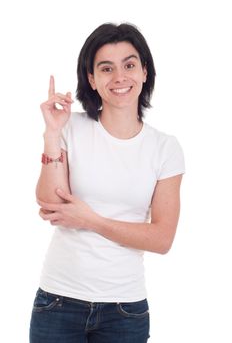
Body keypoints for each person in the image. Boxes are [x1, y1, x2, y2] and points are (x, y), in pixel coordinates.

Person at [29, 23, 185, 343]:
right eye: (106, 68)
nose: (119, 77)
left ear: (144, 71)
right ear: (92, 78)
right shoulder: (70, 127)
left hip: (124, 310)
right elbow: (50, 203)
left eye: (129, 65)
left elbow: (161, 238)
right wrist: (52, 134)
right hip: (58, 301)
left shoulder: (165, 148)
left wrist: (91, 220)